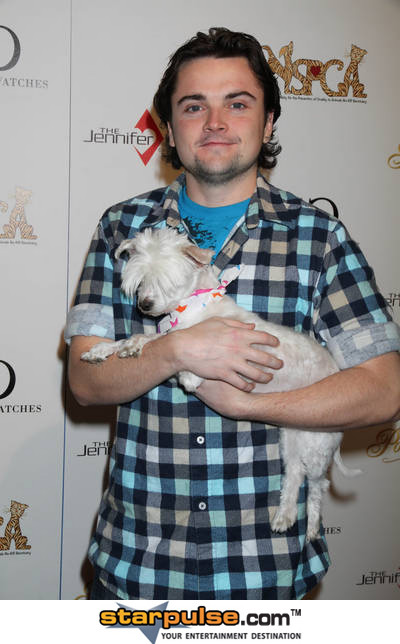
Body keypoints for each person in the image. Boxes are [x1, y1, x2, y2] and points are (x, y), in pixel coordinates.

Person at [66, 27, 400, 600]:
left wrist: (250, 403)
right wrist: (176, 350)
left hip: (266, 572)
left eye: (237, 104)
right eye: (194, 106)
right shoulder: (121, 228)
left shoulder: (319, 238)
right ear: (169, 128)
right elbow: (84, 379)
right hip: (139, 565)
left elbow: (384, 389)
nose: (215, 122)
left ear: (268, 123)